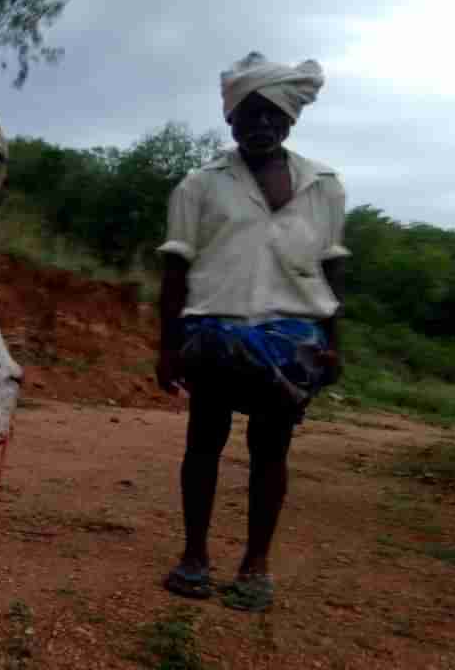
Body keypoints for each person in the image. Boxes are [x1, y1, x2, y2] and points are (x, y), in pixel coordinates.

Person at [155, 51, 349, 612]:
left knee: (270, 451)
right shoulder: (200, 185)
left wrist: (334, 344)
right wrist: (168, 346)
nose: (261, 125)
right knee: (203, 445)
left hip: (291, 342)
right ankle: (194, 558)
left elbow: (333, 267)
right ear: (231, 120)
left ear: (290, 120)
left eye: (272, 116)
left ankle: (255, 566)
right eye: (249, 115)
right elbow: (175, 268)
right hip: (214, 333)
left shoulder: (324, 186)